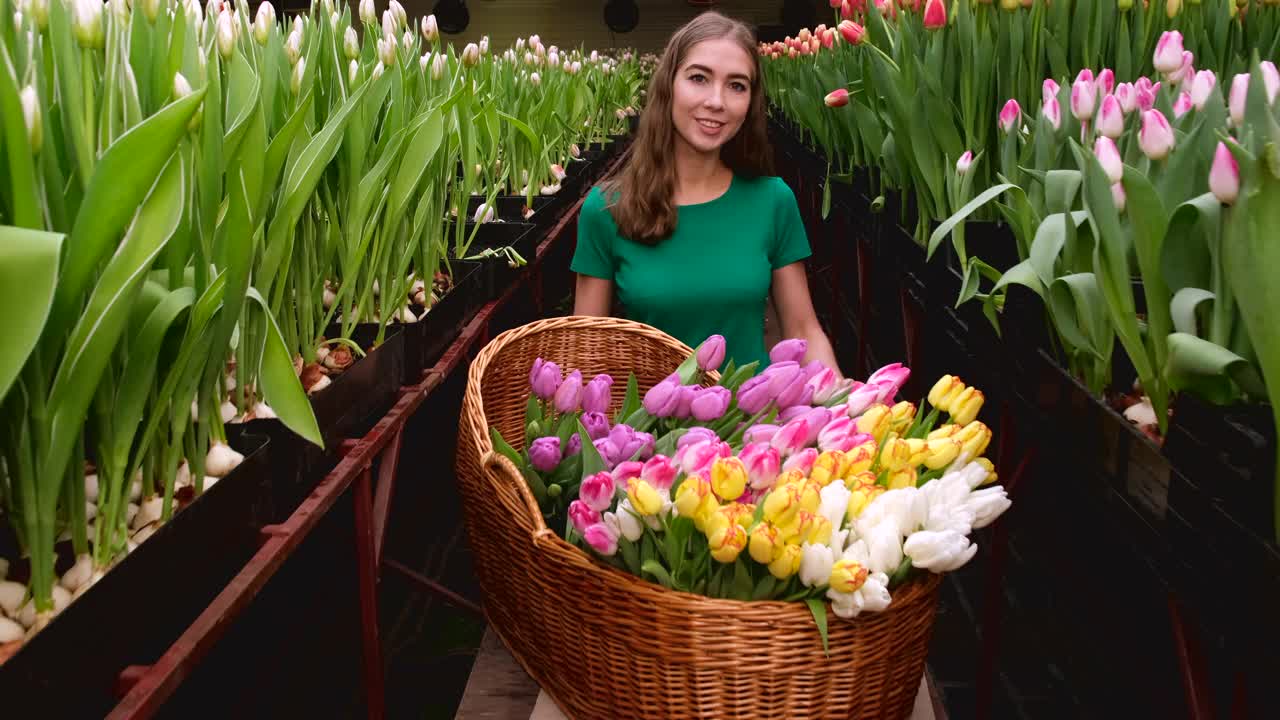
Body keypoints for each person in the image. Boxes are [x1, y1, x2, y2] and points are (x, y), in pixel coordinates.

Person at [571, 11, 840, 374]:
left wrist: (845, 415)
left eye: (737, 85)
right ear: (668, 86)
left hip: (755, 422)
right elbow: (587, 352)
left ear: (750, 103)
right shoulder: (607, 208)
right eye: (699, 78)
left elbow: (803, 331)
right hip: (652, 425)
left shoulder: (772, 200)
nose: (717, 101)